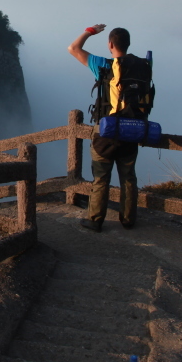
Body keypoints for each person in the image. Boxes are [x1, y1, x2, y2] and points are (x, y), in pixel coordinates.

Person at [67, 24, 140, 233]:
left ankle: (95, 219)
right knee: (128, 177)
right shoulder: (141, 68)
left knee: (101, 177)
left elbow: (73, 48)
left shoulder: (103, 65)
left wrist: (90, 31)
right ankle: (128, 219)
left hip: (106, 132)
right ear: (128, 44)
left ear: (110, 44)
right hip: (132, 131)